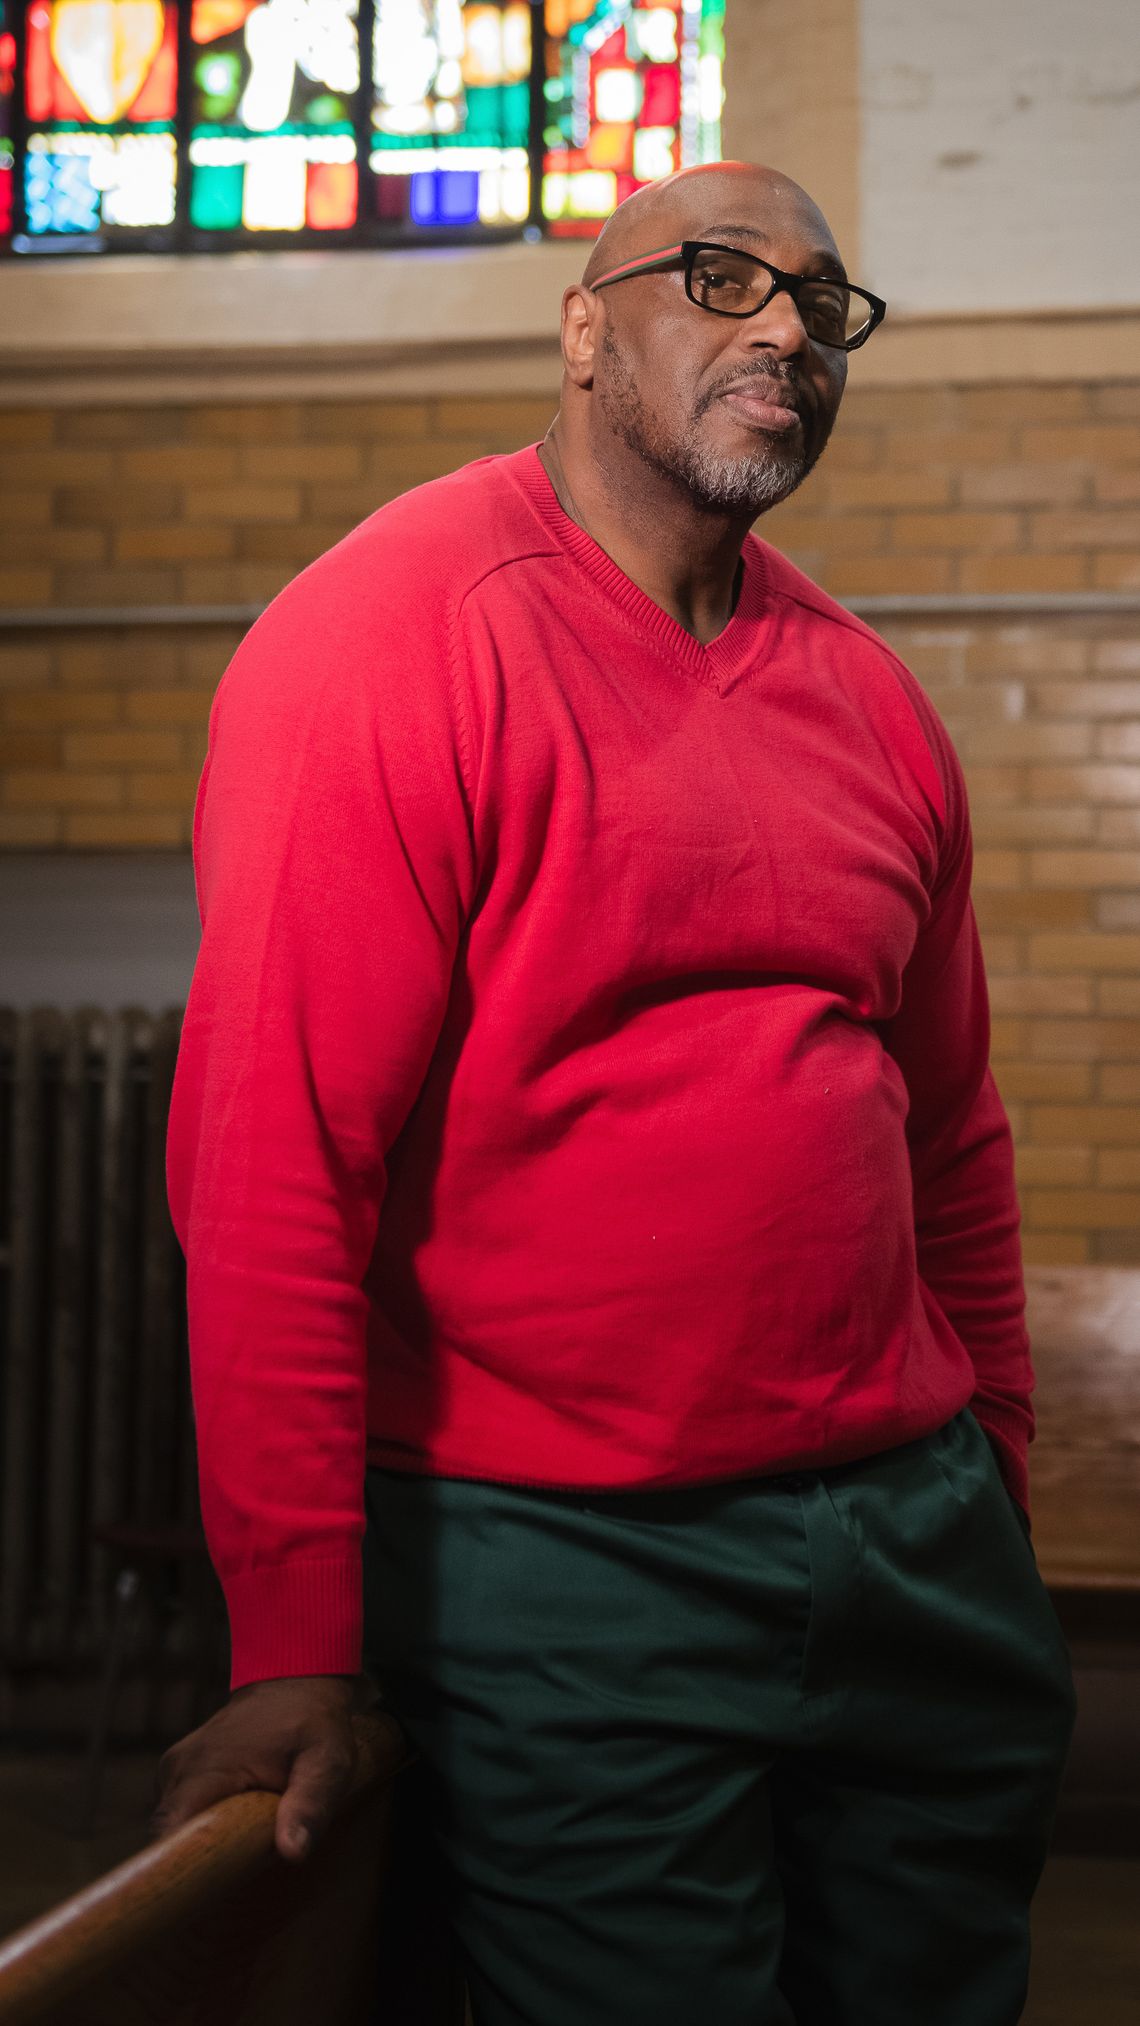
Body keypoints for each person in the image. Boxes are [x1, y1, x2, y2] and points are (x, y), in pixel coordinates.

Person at [153, 161, 1076, 2024]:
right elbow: (270, 1168)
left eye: (823, 306)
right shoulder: (391, 641)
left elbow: (952, 1128)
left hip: (913, 1545)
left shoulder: (869, 697)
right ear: (585, 330)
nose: (787, 332)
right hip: (568, 1555)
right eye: (721, 279)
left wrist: (991, 1469)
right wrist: (292, 1636)